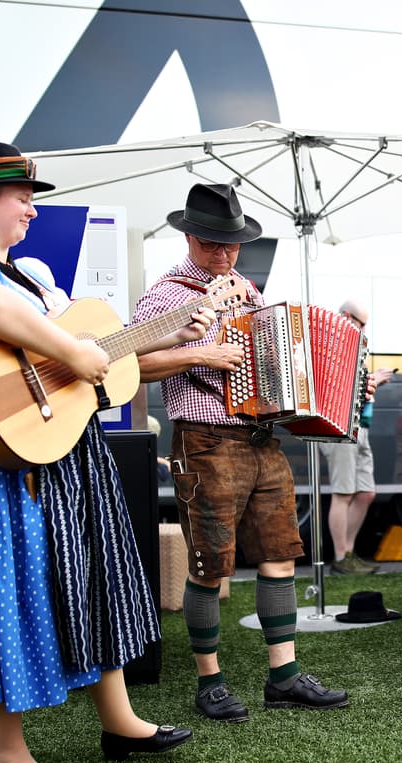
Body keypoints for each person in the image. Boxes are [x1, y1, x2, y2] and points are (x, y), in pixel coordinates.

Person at [0, 142, 201, 763]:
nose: (31, 211)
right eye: (22, 197)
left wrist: (177, 331)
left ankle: (120, 720)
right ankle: (4, 751)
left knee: (93, 572)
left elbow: (100, 354)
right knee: (6, 581)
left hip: (64, 446)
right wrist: (71, 347)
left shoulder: (37, 274)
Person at [133, 183, 350, 721]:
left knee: (279, 556)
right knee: (210, 566)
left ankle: (285, 676)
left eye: (231, 244)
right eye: (212, 243)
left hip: (261, 439)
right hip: (205, 441)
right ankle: (210, 682)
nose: (224, 254)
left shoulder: (248, 292)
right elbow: (130, 364)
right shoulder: (164, 295)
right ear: (189, 236)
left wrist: (319, 388)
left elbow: (281, 362)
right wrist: (201, 352)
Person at [318, 299, 394, 574]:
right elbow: (335, 385)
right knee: (343, 493)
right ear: (348, 317)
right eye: (362, 324)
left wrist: (371, 381)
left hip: (358, 424)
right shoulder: (331, 343)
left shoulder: (346, 343)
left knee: (365, 493)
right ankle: (341, 557)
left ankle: (347, 553)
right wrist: (371, 381)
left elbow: (352, 384)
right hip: (339, 426)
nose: (364, 331)